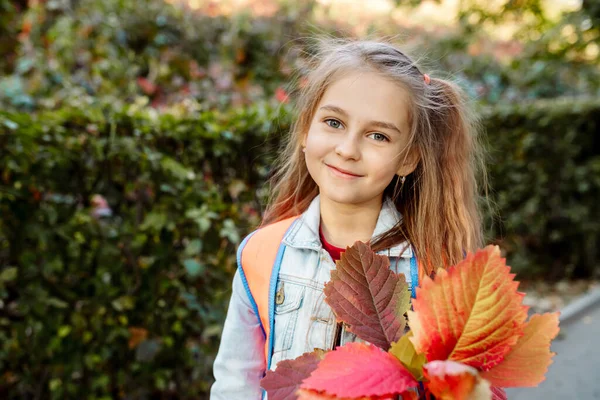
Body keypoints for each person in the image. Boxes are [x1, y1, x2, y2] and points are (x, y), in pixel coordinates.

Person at [210, 37, 487, 399]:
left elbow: (460, 387)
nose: (347, 149)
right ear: (306, 130)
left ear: (409, 158)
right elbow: (236, 380)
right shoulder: (260, 253)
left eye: (378, 136)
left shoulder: (437, 268)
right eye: (334, 122)